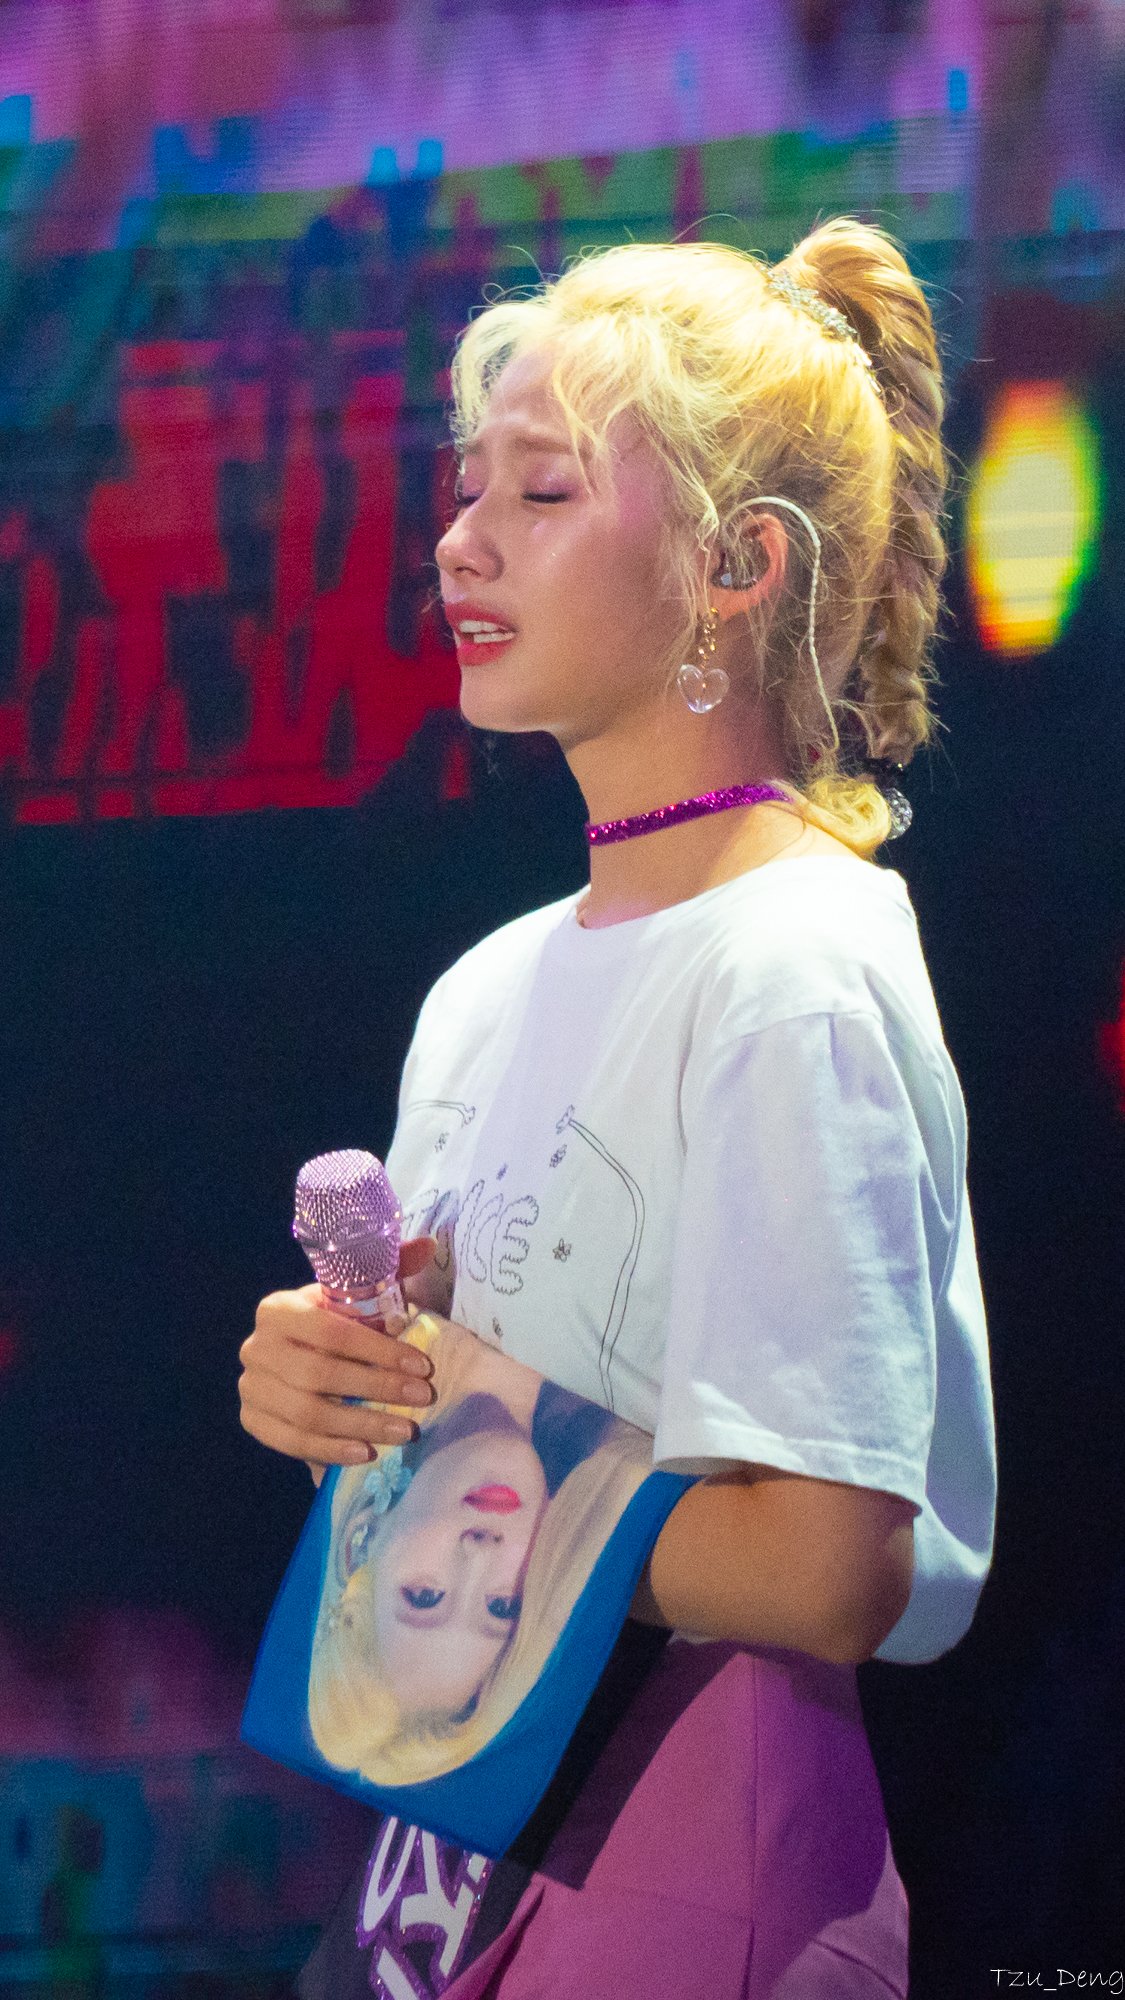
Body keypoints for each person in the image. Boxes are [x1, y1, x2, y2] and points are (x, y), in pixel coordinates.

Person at [238, 218, 997, 1998]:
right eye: (466, 488)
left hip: (688, 1842)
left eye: (542, 492)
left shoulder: (789, 965)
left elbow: (821, 1567)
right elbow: (455, 1418)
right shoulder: (483, 987)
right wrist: (338, 1387)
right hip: (453, 1829)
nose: (461, 539)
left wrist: (474, 1449)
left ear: (735, 563)